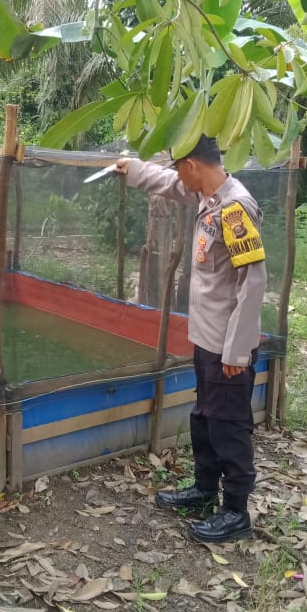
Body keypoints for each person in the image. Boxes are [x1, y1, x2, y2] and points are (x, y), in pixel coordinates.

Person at [115, 135, 266, 542]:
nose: (177, 175)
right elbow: (168, 183)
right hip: (208, 337)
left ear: (194, 165)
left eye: (179, 165)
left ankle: (235, 511)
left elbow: (253, 284)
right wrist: (130, 168)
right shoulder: (209, 196)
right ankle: (204, 489)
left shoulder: (234, 210)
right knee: (204, 417)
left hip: (227, 346)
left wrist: (237, 349)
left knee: (229, 425)